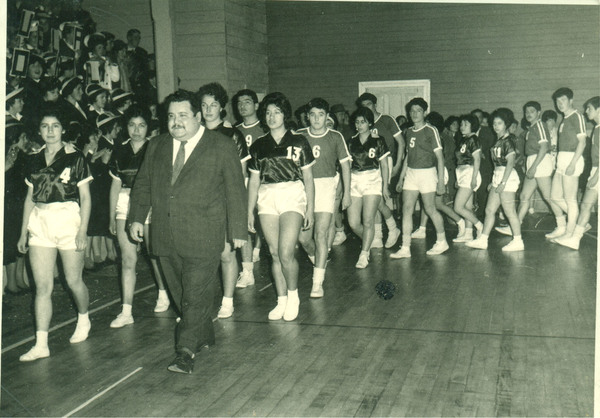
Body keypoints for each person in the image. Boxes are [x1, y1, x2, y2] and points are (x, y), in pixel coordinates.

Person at [128, 89, 247, 374]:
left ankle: (185, 351)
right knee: (182, 293)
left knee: (193, 293)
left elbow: (235, 190)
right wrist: (136, 218)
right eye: (171, 116)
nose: (176, 122)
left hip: (205, 234)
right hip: (165, 234)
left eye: (183, 116)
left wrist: (238, 230)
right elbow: (143, 184)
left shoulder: (221, 145)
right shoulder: (156, 145)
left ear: (198, 117)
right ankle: (204, 335)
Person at [17, 106, 93, 362]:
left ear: (63, 130)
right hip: (40, 222)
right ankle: (41, 344)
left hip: (68, 220)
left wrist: (82, 230)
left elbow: (85, 197)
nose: (50, 131)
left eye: (55, 126)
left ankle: (84, 318)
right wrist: (22, 233)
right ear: (39, 131)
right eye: (45, 126)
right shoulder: (34, 158)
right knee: (42, 287)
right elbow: (29, 199)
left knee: (73, 281)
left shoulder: (75, 157)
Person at [247, 92, 315, 320]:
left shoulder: (298, 141)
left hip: (292, 194)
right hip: (267, 196)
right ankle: (281, 299)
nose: (272, 116)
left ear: (285, 115)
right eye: (268, 112)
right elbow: (254, 181)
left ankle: (294, 296)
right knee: (274, 253)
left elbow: (308, 179)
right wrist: (249, 211)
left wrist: (310, 209)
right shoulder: (258, 146)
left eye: (277, 112)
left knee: (286, 252)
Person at [108, 104, 170, 328]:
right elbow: (115, 186)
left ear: (148, 127)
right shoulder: (120, 150)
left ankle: (163, 293)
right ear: (126, 127)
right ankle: (126, 311)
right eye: (132, 125)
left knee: (154, 253)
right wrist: (111, 215)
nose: (136, 130)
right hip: (125, 203)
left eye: (141, 125)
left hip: (150, 202)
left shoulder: (155, 148)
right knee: (128, 259)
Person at [197, 82, 250, 319]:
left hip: (224, 202)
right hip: (198, 204)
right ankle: (201, 304)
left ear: (221, 108)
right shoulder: (194, 133)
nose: (208, 110)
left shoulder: (232, 135)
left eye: (213, 105)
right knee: (201, 256)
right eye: (204, 105)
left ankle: (227, 301)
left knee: (225, 254)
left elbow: (240, 176)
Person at [297, 98, 351, 296]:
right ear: (307, 116)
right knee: (303, 238)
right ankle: (317, 258)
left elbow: (345, 165)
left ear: (327, 116)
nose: (316, 119)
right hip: (302, 187)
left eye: (321, 115)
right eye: (312, 115)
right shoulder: (299, 135)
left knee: (321, 233)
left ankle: (317, 282)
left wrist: (346, 192)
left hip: (326, 185)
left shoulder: (335, 136)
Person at [391, 98, 449, 259]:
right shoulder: (408, 131)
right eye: (412, 111)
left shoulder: (431, 130)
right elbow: (407, 157)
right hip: (411, 173)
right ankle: (405, 247)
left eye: (418, 110)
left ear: (424, 113)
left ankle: (442, 241)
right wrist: (401, 178)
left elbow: (440, 157)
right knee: (406, 209)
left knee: (430, 208)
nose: (415, 114)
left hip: (427, 173)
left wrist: (441, 182)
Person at [466, 108, 524, 251]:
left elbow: (510, 162)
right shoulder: (499, 140)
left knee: (509, 211)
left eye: (499, 123)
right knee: (489, 210)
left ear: (506, 125)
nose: (496, 126)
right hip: (498, 176)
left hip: (508, 178)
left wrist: (503, 182)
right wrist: (494, 181)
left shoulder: (509, 140)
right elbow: (497, 165)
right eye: (494, 123)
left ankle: (518, 241)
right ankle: (483, 239)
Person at [496, 101, 553, 235]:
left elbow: (544, 148)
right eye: (526, 112)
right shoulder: (530, 129)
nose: (528, 114)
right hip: (532, 161)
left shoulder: (540, 125)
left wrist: (533, 167)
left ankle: (567, 224)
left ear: (539, 113)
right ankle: (515, 225)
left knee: (549, 196)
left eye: (532, 111)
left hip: (540, 162)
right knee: (524, 195)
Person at [356, 93, 402, 248]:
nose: (366, 108)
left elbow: (401, 143)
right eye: (363, 106)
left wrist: (396, 165)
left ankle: (389, 229)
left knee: (378, 198)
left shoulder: (387, 120)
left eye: (369, 104)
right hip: (368, 165)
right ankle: (381, 233)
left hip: (386, 161)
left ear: (375, 104)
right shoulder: (362, 124)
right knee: (375, 200)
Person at [346, 107, 390, 268]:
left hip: (372, 180)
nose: (359, 125)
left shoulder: (378, 140)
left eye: (363, 122)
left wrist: (385, 186)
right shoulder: (350, 142)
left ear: (369, 123)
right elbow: (347, 166)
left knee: (368, 219)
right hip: (354, 180)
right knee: (353, 222)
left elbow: (384, 166)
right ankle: (369, 240)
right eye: (357, 122)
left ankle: (364, 254)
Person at [555, 96, 599, 250]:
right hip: (591, 168)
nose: (586, 112)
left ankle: (571, 234)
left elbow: (582, 143)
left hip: (590, 168)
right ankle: (575, 235)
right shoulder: (596, 128)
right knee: (583, 205)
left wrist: (595, 176)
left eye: (590, 109)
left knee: (577, 202)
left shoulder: (580, 119)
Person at [545, 88, 588, 241]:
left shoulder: (577, 116)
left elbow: (582, 143)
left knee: (570, 200)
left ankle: (569, 233)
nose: (560, 103)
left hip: (572, 160)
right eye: (557, 101)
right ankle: (574, 221)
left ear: (571, 100)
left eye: (563, 100)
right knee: (554, 196)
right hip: (561, 161)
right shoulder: (564, 119)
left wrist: (573, 163)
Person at [234, 88, 266, 282]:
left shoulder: (264, 128)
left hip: (264, 181)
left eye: (247, 102)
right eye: (239, 103)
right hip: (243, 181)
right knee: (245, 219)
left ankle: (258, 246)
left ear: (255, 105)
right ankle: (247, 269)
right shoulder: (234, 130)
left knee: (261, 219)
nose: (242, 106)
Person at [452, 114, 484, 242]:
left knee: (458, 207)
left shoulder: (474, 139)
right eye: (461, 124)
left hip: (470, 173)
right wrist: (457, 178)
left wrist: (474, 178)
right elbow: (460, 161)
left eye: (466, 124)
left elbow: (477, 159)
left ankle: (480, 226)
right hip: (462, 173)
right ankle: (468, 234)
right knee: (467, 207)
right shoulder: (464, 140)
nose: (462, 127)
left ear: (473, 126)